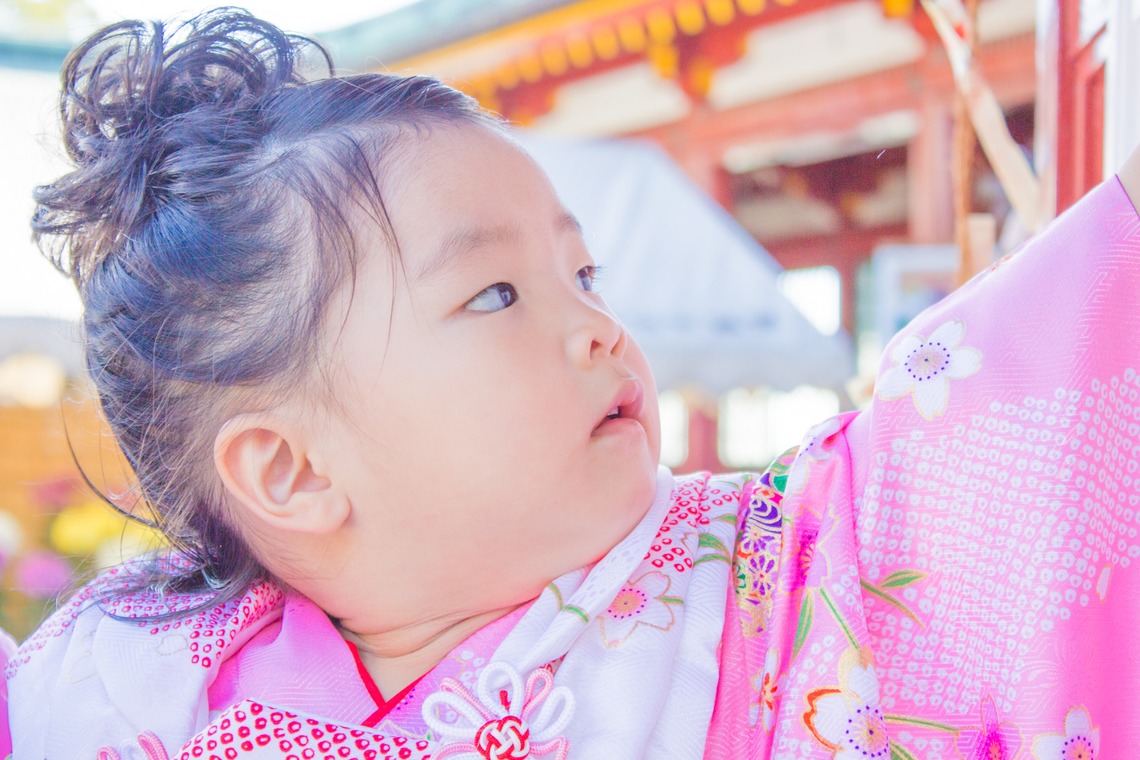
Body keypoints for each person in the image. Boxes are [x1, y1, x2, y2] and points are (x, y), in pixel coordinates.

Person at [3, 9, 1139, 759]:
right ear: (290, 468)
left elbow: (990, 426)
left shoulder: (785, 567)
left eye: (582, 273)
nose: (598, 327)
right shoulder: (119, 686)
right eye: (495, 295)